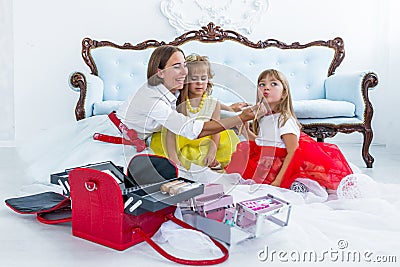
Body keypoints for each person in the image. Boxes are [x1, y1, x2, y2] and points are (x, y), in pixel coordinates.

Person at [224, 69, 353, 190]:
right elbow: (261, 144)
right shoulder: (264, 118)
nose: (266, 87)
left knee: (294, 187)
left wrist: (278, 182)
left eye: (273, 84)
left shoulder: (285, 120)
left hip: (282, 165)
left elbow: (293, 151)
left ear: (284, 93)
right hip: (265, 161)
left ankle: (302, 185)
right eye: (262, 84)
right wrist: (245, 131)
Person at [116, 45, 262, 148]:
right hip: (118, 134)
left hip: (145, 130)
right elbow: (190, 129)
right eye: (176, 66)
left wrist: (229, 108)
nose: (185, 72)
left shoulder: (174, 85)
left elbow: (203, 101)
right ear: (160, 72)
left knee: (228, 118)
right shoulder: (152, 99)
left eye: (184, 65)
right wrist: (241, 117)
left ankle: (260, 138)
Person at [149, 54, 240, 169]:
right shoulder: (177, 103)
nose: (199, 83)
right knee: (177, 156)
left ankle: (211, 162)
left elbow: (216, 130)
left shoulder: (214, 103)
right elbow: (171, 133)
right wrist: (173, 159)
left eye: (203, 78)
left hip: (205, 139)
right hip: (179, 139)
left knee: (223, 143)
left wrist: (212, 153)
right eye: (194, 78)